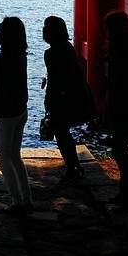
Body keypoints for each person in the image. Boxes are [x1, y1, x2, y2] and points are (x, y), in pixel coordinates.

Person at [42, 15, 94, 187]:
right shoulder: (68, 48)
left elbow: (55, 81)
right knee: (63, 132)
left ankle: (72, 167)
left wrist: (48, 102)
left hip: (64, 100)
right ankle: (74, 167)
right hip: (78, 96)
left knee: (61, 132)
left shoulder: (51, 54)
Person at [0, 17, 34, 215]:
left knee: (3, 157)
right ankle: (26, 199)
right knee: (15, 156)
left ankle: (17, 201)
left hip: (6, 113)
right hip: (21, 109)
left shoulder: (2, 60)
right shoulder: (21, 55)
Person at [103, 10, 128, 213]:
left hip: (122, 106)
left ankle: (127, 192)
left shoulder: (121, 51)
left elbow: (119, 84)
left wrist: (111, 109)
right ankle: (126, 190)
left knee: (119, 148)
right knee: (120, 148)